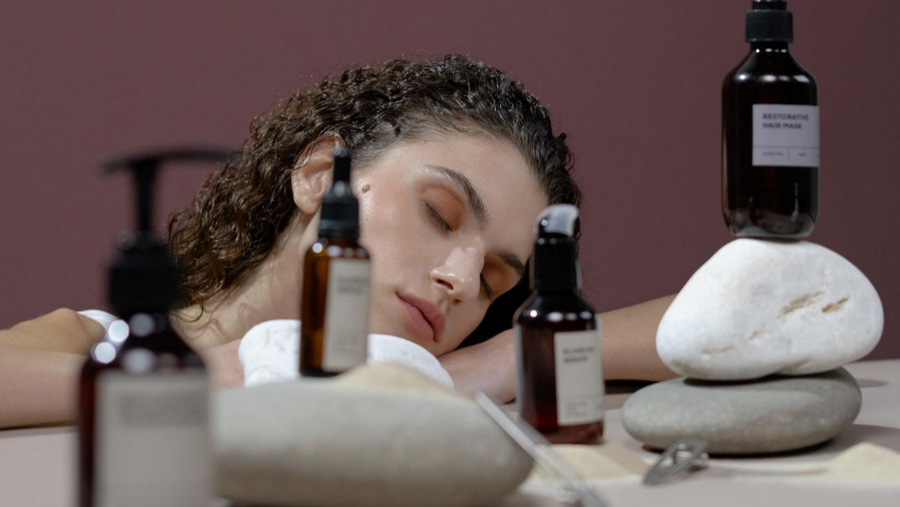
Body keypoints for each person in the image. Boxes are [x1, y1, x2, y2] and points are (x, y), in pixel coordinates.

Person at [0, 55, 674, 430]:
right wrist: (241, 371)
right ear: (322, 178)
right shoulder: (113, 344)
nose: (462, 282)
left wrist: (497, 360)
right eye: (440, 215)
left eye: (496, 282)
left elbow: (740, 314)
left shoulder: (433, 388)